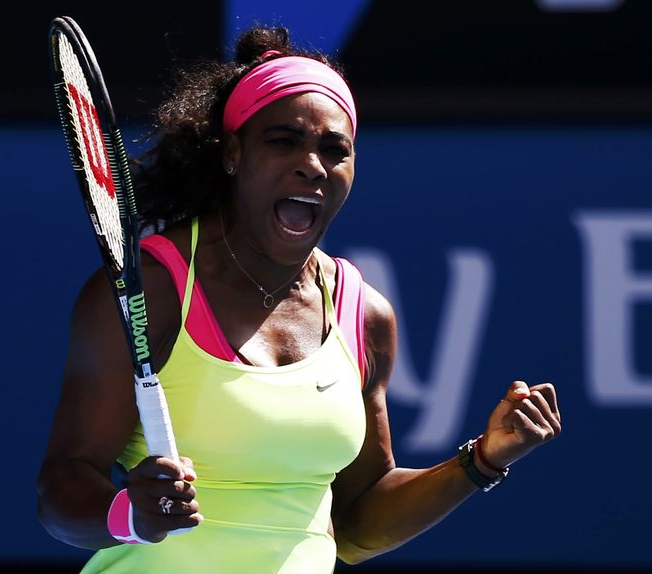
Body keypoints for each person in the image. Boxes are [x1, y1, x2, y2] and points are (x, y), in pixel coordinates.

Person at [36, 25, 562, 573]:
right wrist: (129, 515)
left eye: (335, 150)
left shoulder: (366, 315)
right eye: (284, 141)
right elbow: (61, 489)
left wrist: (480, 461)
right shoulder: (156, 290)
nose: (312, 164)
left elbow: (356, 526)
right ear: (234, 153)